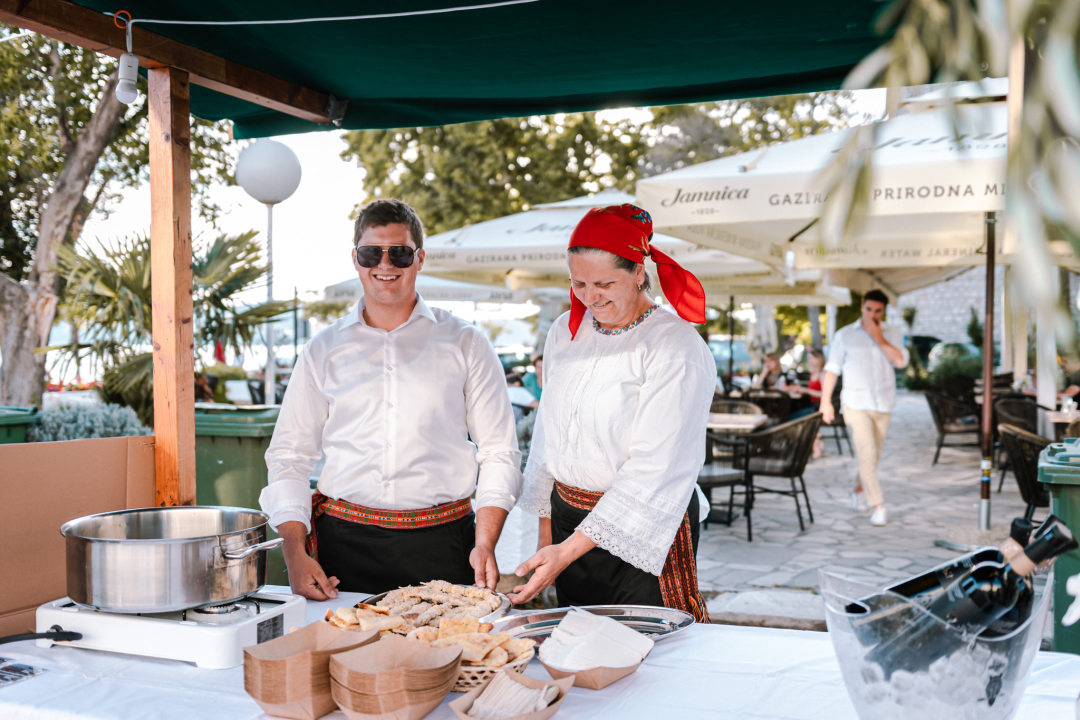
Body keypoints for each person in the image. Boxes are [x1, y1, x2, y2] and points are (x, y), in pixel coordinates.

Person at [261, 199, 523, 600]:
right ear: (356, 259)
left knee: (442, 660)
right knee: (342, 660)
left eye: (399, 253)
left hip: (444, 543)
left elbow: (500, 452)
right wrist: (294, 554)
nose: (385, 265)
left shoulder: (466, 342)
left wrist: (485, 543)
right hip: (342, 546)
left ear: (419, 259)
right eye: (372, 253)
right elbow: (289, 458)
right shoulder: (322, 349)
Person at [509, 204, 714, 622]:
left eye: (605, 283)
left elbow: (656, 467)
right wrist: (548, 536)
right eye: (578, 282)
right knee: (577, 641)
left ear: (640, 272)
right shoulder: (564, 332)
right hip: (567, 519)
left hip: (643, 522)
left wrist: (567, 549)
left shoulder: (674, 345)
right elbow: (549, 435)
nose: (590, 296)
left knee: (644, 652)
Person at [820, 290, 909, 527]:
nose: (872, 314)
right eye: (869, 309)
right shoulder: (845, 335)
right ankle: (878, 506)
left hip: (884, 403)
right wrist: (825, 401)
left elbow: (900, 361)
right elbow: (832, 369)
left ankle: (858, 489)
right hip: (856, 404)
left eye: (878, 310)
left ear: (884, 311)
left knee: (872, 458)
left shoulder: (892, 333)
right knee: (867, 453)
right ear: (862, 306)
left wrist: (878, 337)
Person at [789, 348, 826, 458]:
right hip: (811, 405)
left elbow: (825, 394)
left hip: (818, 407)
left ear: (818, 359)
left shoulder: (823, 374)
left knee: (792, 419)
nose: (809, 360)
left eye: (811, 358)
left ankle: (814, 438)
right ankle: (815, 439)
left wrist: (806, 390)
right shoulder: (813, 373)